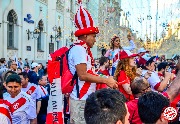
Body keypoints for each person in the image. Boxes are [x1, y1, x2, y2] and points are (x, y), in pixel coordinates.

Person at [69, 2, 117, 124]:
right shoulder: (79, 49)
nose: (95, 40)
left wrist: (105, 77)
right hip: (81, 100)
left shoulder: (83, 49)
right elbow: (83, 75)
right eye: (93, 36)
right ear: (85, 35)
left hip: (86, 98)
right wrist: (106, 80)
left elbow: (90, 72)